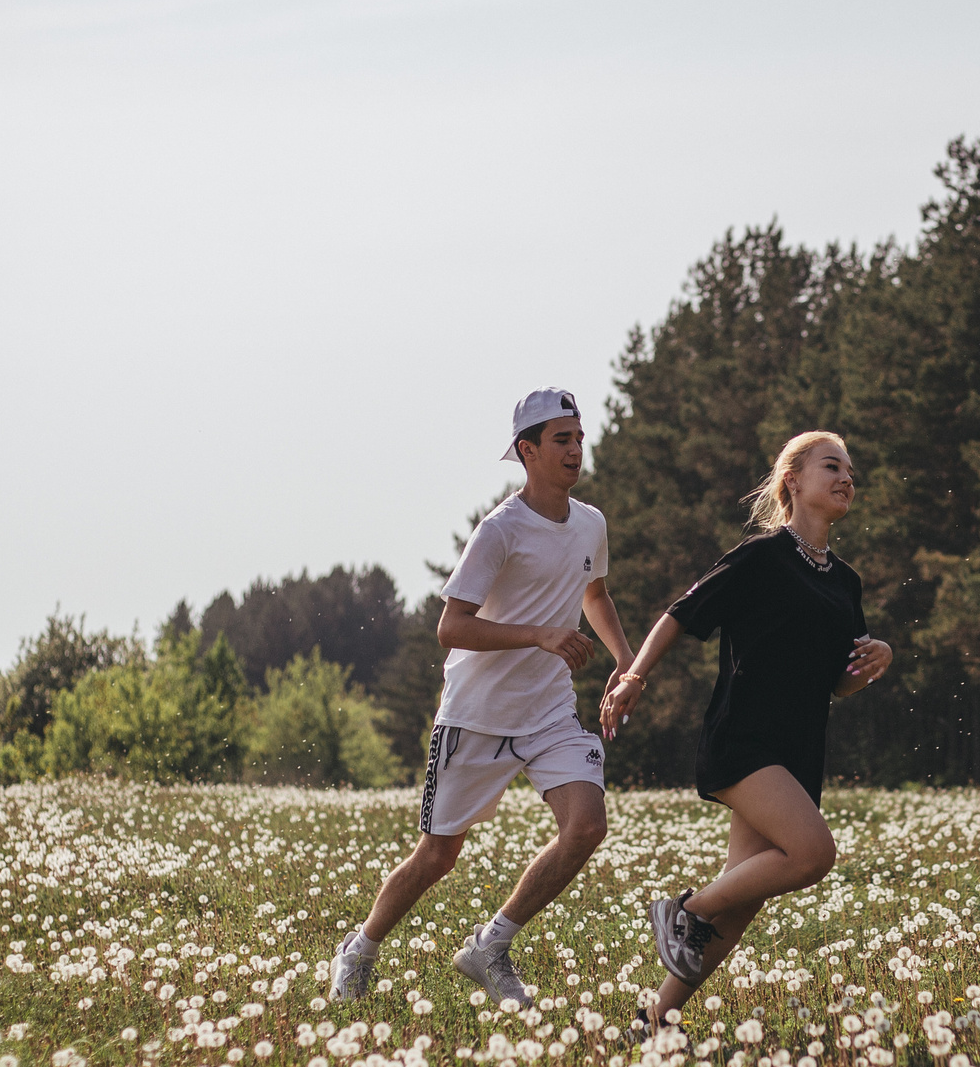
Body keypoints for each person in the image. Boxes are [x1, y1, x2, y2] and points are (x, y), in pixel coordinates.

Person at [329, 388, 630, 1009]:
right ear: (527, 450)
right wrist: (540, 634)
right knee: (438, 856)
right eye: (561, 440)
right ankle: (358, 949)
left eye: (579, 437)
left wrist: (628, 663)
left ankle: (490, 946)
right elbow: (452, 627)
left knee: (587, 826)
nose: (576, 450)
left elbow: (595, 594)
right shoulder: (499, 530)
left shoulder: (591, 523)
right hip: (475, 716)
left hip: (550, 712)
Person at [599, 430, 892, 1034]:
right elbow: (679, 614)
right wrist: (634, 676)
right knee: (813, 854)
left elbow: (837, 683)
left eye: (851, 472)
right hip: (744, 741)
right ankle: (686, 909)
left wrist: (874, 663)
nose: (846, 478)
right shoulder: (761, 557)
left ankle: (653, 1021)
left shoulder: (846, 581)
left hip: (798, 750)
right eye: (832, 466)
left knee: (740, 906)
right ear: (793, 481)